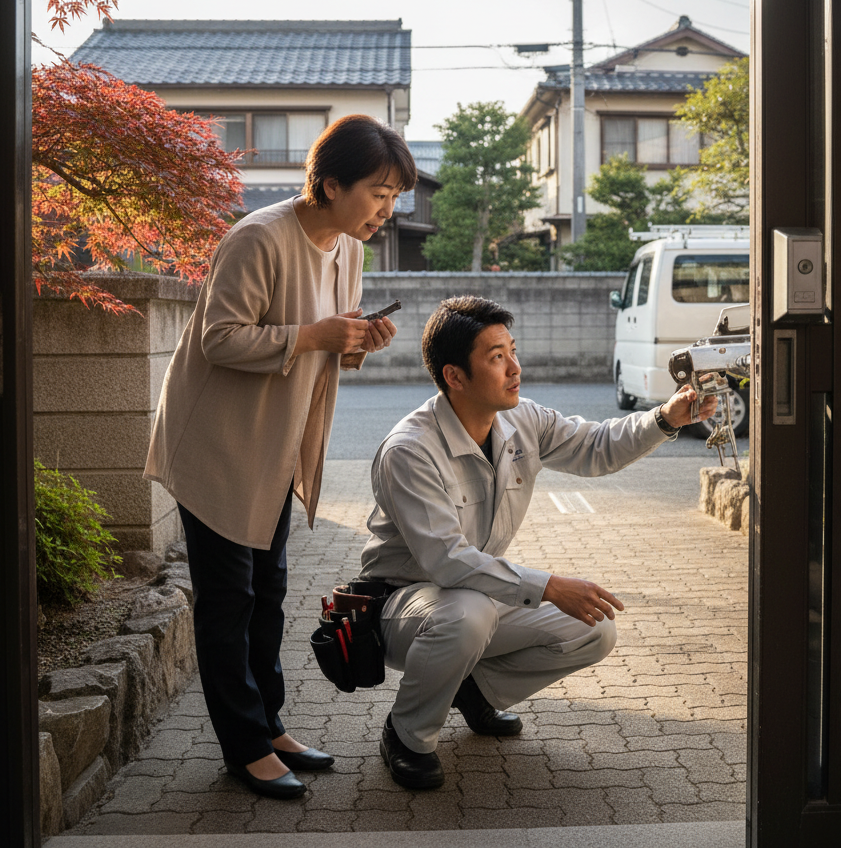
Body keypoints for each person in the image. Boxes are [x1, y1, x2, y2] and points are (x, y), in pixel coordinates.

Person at [145, 114, 417, 799]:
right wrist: (317, 332)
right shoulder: (257, 238)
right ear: (329, 184)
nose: (387, 210)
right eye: (378, 193)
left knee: (267, 592)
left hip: (274, 443)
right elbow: (219, 339)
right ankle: (244, 747)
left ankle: (267, 726)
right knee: (228, 599)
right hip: (217, 443)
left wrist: (355, 341)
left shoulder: (349, 248)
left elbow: (324, 345)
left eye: (394, 197)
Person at [356, 295, 718, 789]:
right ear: (454, 376)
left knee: (593, 628)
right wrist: (548, 586)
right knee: (468, 615)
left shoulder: (522, 419)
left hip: (475, 595)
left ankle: (475, 692)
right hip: (403, 606)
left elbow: (598, 446)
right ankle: (407, 734)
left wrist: (665, 418)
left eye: (513, 350)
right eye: (496, 357)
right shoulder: (410, 451)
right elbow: (446, 561)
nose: (515, 368)